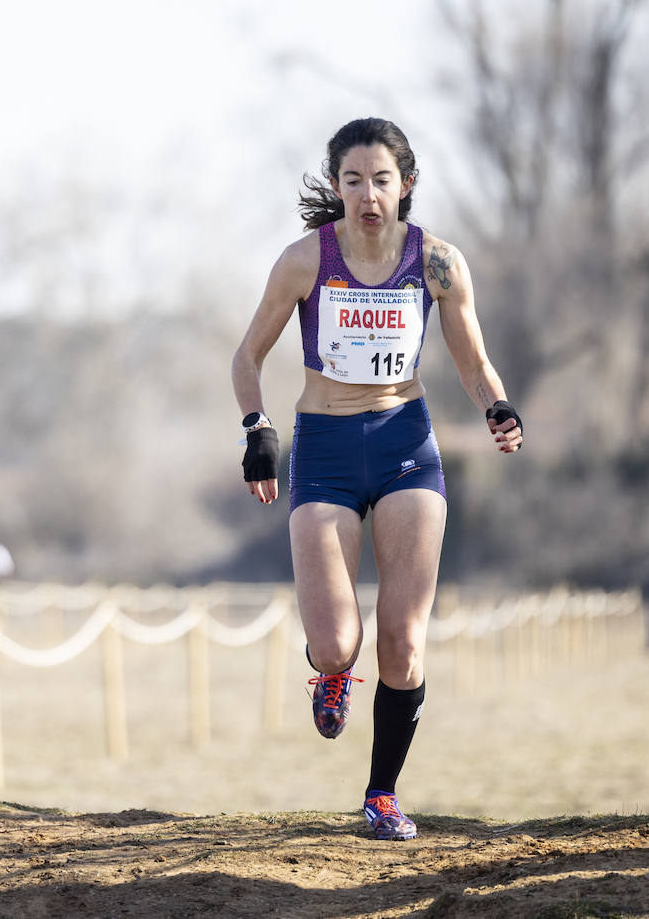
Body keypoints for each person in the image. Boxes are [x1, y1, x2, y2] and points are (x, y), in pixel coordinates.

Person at [231, 118, 522, 841]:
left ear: (407, 185)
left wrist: (497, 406)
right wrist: (256, 430)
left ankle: (382, 795)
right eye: (353, 180)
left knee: (404, 640)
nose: (368, 194)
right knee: (336, 642)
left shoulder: (438, 264)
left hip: (405, 450)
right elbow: (246, 357)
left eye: (382, 180)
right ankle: (329, 673)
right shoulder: (304, 262)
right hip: (325, 452)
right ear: (336, 187)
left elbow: (472, 360)